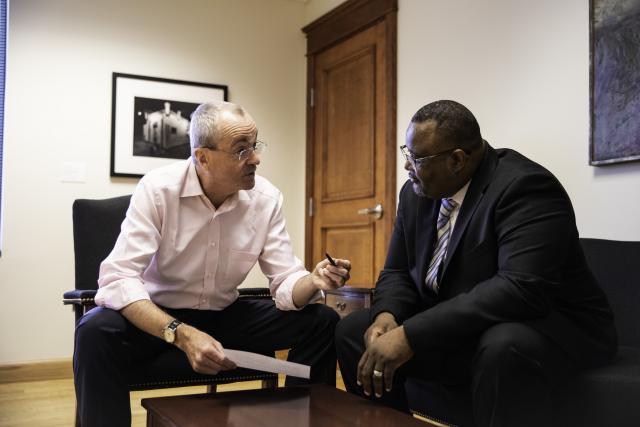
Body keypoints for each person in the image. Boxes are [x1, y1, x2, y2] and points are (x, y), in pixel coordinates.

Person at [335, 100, 616, 427]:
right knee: (355, 332)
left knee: (503, 345)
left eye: (417, 158)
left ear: (457, 160)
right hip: (469, 324)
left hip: (551, 325)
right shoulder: (415, 194)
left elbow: (519, 290)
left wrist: (411, 334)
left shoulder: (525, 187)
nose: (407, 166)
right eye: (406, 152)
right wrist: (387, 318)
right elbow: (398, 271)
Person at [74, 101, 351, 427]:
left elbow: (286, 280)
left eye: (255, 145)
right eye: (241, 150)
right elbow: (118, 277)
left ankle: (297, 421)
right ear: (202, 157)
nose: (256, 158)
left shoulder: (266, 199)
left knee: (321, 321)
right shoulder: (158, 189)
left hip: (226, 315)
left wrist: (314, 281)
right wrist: (182, 334)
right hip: (159, 316)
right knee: (94, 331)